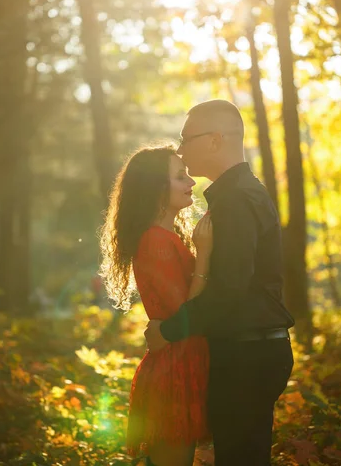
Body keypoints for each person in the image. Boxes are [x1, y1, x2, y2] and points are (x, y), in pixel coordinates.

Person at [145, 100, 295, 466]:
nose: (180, 149)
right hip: (250, 350)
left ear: (214, 140)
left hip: (248, 355)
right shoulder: (234, 195)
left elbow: (230, 289)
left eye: (187, 139)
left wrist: (171, 330)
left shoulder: (237, 200)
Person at [99, 144, 213, 466]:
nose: (191, 182)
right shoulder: (155, 241)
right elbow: (187, 312)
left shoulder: (169, 236)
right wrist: (204, 253)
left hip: (184, 360)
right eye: (180, 176)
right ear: (156, 189)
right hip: (175, 368)